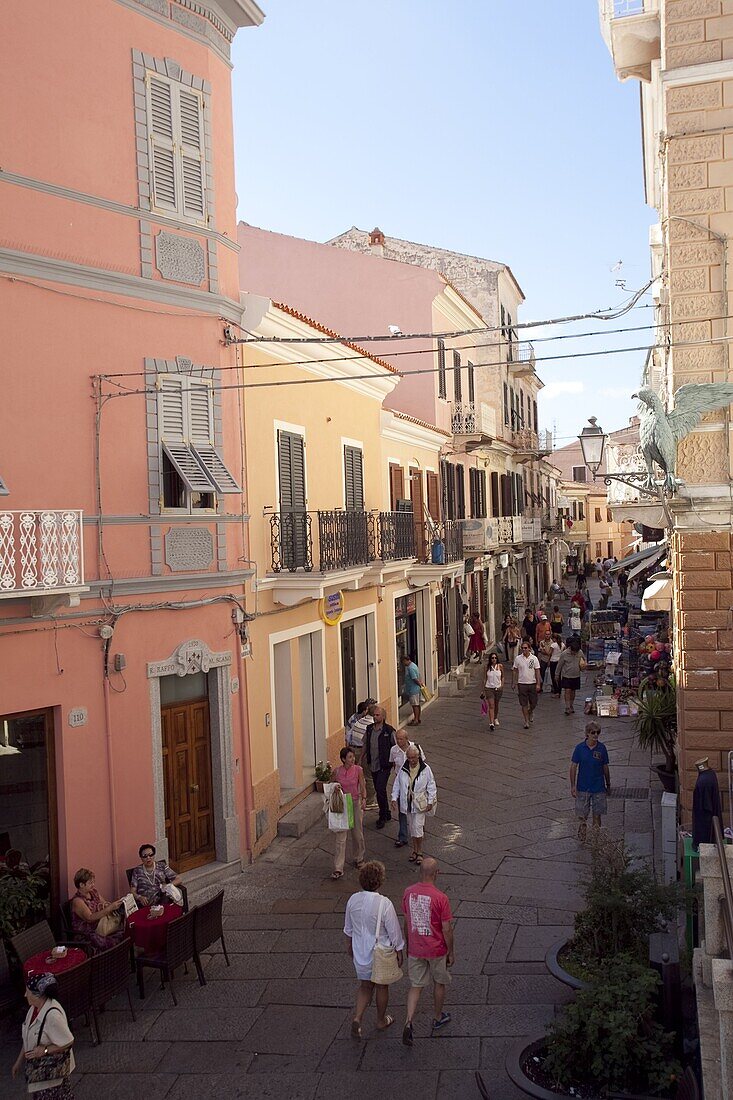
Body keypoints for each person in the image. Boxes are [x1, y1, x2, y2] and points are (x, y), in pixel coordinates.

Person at [344, 860, 404, 1037]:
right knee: (382, 986)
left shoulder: (352, 900)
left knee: (365, 986)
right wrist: (399, 950)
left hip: (360, 951)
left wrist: (349, 945)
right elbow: (394, 931)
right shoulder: (384, 904)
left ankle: (357, 1018)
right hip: (379, 952)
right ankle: (380, 1019)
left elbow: (348, 928)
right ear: (380, 881)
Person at [401, 856, 454, 1046]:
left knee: (416, 986)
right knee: (439, 983)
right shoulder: (441, 898)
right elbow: (446, 928)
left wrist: (408, 944)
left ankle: (408, 1021)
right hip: (436, 948)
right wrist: (450, 951)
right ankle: (438, 1016)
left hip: (416, 947)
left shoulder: (408, 892)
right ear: (436, 874)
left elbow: (407, 921)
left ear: (420, 873)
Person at [13, 972, 76, 1098]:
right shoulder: (32, 1010)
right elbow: (27, 1037)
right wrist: (18, 1062)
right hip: (41, 1074)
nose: (25, 995)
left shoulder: (52, 1016)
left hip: (52, 1074)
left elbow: (68, 1041)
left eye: (28, 992)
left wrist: (45, 1050)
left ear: (38, 995)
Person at [391, 744, 437, 866]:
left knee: (418, 827)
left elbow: (431, 786)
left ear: (418, 757)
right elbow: (397, 784)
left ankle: (419, 851)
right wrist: (394, 798)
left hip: (420, 803)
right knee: (412, 827)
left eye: (414, 758)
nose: (411, 760)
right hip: (408, 803)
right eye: (409, 758)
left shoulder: (426, 769)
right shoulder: (403, 769)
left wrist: (430, 801)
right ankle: (415, 850)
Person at [330, 747, 367, 880]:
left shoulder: (358, 770)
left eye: (353, 757)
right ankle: (338, 867)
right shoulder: (337, 771)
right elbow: (331, 785)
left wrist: (364, 799)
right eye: (350, 757)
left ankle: (359, 858)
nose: (352, 759)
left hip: (355, 804)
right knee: (341, 836)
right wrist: (335, 787)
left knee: (357, 833)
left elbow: (362, 785)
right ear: (343, 759)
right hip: (343, 806)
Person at [570, 722, 610, 841]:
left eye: (598, 732)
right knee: (582, 814)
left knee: (597, 814)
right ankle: (582, 832)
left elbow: (605, 767)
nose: (596, 735)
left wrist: (608, 784)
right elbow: (573, 767)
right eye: (593, 733)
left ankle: (595, 837)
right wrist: (573, 786)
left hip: (598, 787)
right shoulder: (579, 748)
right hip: (583, 786)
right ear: (587, 734)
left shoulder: (602, 748)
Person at [70, 869, 125, 953]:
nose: (93, 885)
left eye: (93, 882)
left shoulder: (94, 892)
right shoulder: (78, 901)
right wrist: (109, 908)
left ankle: (120, 959)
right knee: (112, 941)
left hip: (102, 925)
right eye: (90, 883)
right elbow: (90, 918)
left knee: (125, 931)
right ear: (81, 884)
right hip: (88, 933)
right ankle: (112, 961)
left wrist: (111, 905)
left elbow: (104, 903)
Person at [363, 706, 396, 829]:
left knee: (381, 789)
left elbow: (395, 747)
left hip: (384, 765)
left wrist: (395, 763)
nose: (375, 717)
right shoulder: (369, 729)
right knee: (378, 789)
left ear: (383, 717)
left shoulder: (389, 731)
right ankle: (386, 812)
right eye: (374, 715)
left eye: (377, 715)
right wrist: (361, 759)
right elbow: (365, 744)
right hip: (373, 765)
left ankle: (382, 816)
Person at [389, 729, 414, 849]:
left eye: (401, 739)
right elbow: (394, 765)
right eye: (397, 739)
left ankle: (417, 830)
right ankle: (403, 836)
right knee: (402, 811)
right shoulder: (394, 750)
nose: (398, 741)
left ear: (406, 739)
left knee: (414, 809)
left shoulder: (415, 748)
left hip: (413, 784)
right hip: (400, 783)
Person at [512, 640, 541, 729]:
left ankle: (531, 711)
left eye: (525, 648)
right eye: (522, 648)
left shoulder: (534, 658)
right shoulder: (518, 659)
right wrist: (514, 682)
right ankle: (526, 721)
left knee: (533, 703)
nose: (524, 650)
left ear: (529, 649)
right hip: (522, 684)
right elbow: (515, 670)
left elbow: (537, 671)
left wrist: (538, 683)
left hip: (532, 683)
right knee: (523, 703)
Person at [555, 635, 586, 716]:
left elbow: (584, 661)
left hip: (576, 675)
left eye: (576, 652)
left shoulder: (580, 652)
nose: (574, 653)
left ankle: (571, 705)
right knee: (567, 691)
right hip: (566, 676)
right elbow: (559, 665)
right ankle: (567, 707)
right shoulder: (564, 654)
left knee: (573, 691)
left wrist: (584, 665)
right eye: (573, 652)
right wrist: (557, 675)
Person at [401, 656, 425, 727]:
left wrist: (419, 684)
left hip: (413, 689)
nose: (403, 664)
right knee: (417, 704)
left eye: (403, 662)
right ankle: (418, 718)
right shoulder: (414, 665)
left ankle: (416, 720)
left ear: (406, 660)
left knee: (415, 705)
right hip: (415, 689)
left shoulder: (410, 668)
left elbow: (414, 678)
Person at [483, 652, 503, 731]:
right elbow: (484, 679)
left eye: (495, 658)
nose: (494, 659)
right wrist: (483, 690)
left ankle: (495, 717)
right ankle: (491, 723)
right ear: (490, 659)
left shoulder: (500, 666)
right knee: (491, 705)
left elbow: (503, 676)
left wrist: (502, 685)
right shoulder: (487, 667)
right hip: (489, 688)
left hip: (498, 688)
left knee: (496, 704)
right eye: (492, 658)